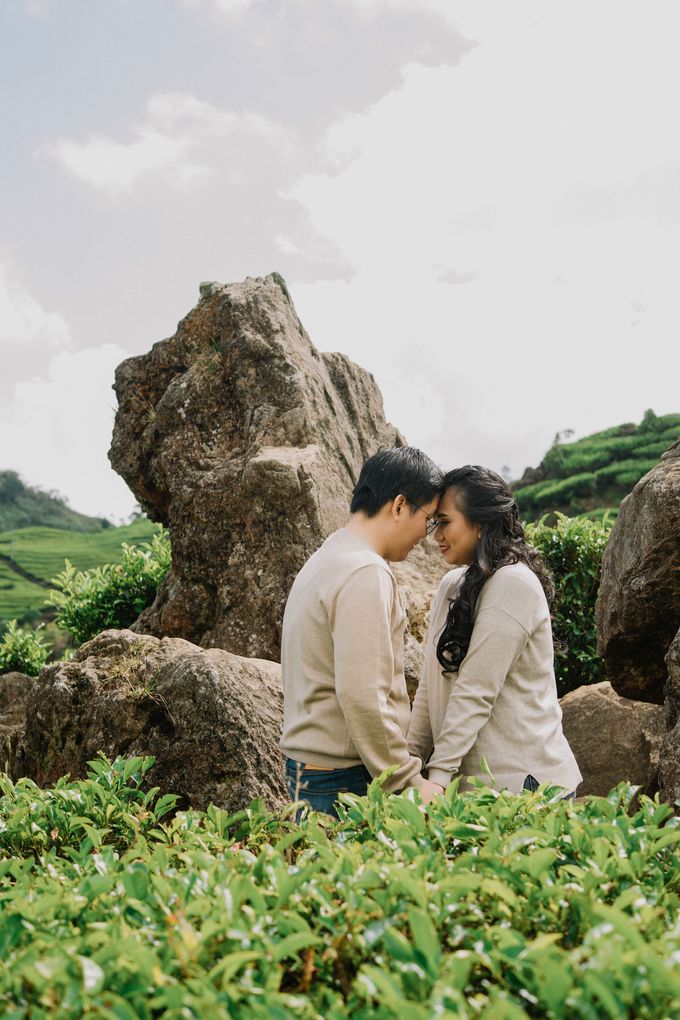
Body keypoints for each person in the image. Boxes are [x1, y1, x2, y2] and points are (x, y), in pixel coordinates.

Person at [280, 446, 445, 817]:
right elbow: (362, 695)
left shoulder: (329, 555)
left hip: (314, 769)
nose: (427, 534)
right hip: (342, 778)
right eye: (429, 518)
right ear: (400, 505)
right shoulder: (364, 572)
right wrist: (408, 782)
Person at [408, 465, 582, 797]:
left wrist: (438, 776)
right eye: (434, 523)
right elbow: (429, 690)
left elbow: (476, 690)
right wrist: (411, 765)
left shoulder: (514, 583)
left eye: (445, 522)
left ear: (481, 523)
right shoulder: (451, 586)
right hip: (474, 792)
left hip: (526, 788)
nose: (436, 535)